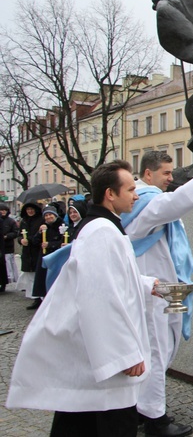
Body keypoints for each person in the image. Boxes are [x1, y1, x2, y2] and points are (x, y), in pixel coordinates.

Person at [6, 160, 159, 436]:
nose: (136, 195)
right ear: (110, 194)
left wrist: (147, 285)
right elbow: (99, 296)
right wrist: (124, 354)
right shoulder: (101, 231)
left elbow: (112, 278)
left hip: (97, 358)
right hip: (107, 361)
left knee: (78, 420)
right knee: (107, 423)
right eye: (130, 189)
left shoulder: (105, 227)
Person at [121, 151, 193, 437]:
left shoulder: (152, 200)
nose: (171, 178)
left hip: (170, 288)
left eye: (171, 172)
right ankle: (156, 419)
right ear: (148, 174)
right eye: (166, 173)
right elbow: (172, 205)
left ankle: (140, 407)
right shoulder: (144, 201)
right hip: (154, 291)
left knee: (168, 345)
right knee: (156, 349)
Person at [27, 204, 64, 310]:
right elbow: (34, 241)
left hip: (56, 256)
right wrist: (39, 232)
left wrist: (50, 244)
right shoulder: (44, 226)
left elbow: (63, 241)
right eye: (46, 215)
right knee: (41, 278)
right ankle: (39, 299)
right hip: (43, 255)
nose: (48, 217)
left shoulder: (61, 226)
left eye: (50, 215)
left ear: (55, 215)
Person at [17, 202, 43, 301]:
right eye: (28, 209)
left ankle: (39, 297)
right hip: (27, 252)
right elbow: (19, 234)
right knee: (30, 275)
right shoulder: (24, 221)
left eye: (32, 209)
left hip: (37, 250)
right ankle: (34, 296)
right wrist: (21, 240)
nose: (30, 211)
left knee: (38, 274)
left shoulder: (41, 220)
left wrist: (31, 239)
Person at [0, 203, 19, 285]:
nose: (3, 212)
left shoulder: (11, 221)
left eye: (4, 210)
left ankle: (11, 278)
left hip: (8, 246)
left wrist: (7, 236)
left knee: (9, 262)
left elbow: (15, 232)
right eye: (1, 210)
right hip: (1, 246)